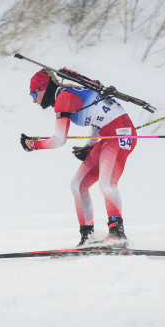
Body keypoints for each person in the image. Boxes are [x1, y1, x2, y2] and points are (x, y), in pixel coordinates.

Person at [20, 69, 137, 246]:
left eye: (33, 94)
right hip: (107, 136)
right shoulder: (66, 94)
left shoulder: (63, 99)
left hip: (119, 134)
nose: (34, 100)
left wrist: (33, 145)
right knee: (78, 185)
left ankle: (117, 233)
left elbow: (59, 140)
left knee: (106, 183)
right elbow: (97, 120)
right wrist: (90, 146)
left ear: (44, 88)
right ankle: (87, 237)